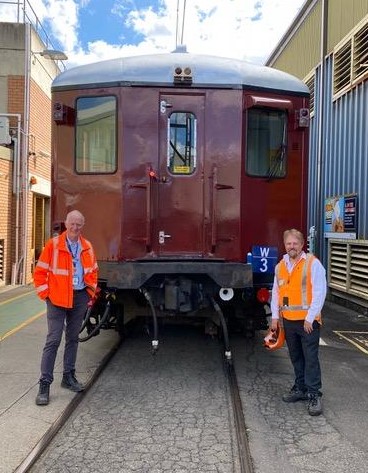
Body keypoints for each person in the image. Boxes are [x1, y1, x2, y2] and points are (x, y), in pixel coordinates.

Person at [33, 210, 98, 406]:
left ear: (82, 226)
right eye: (72, 223)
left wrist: (89, 293)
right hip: (57, 299)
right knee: (53, 339)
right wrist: (46, 294)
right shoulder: (53, 245)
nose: (75, 227)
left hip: (78, 297)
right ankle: (44, 384)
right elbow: (40, 272)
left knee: (72, 338)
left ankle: (68, 377)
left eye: (79, 224)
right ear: (66, 224)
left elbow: (93, 271)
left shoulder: (87, 246)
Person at [270, 229, 327, 416]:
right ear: (284, 245)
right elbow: (276, 293)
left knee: (310, 358)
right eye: (288, 243)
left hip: (307, 322)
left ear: (302, 245)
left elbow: (319, 292)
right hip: (289, 320)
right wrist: (275, 318)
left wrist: (310, 317)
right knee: (296, 357)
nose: (291, 246)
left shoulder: (313, 264)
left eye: (295, 243)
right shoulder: (280, 266)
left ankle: (314, 394)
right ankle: (300, 388)